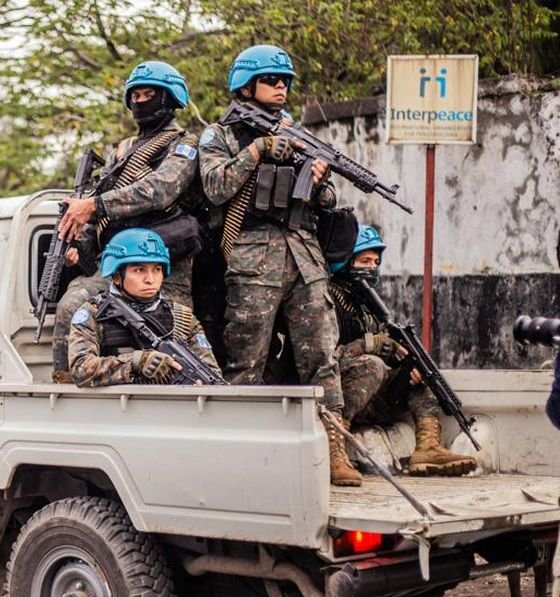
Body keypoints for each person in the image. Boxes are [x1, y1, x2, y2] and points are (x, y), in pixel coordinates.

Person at [198, 44, 355, 486]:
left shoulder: (298, 132)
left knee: (322, 357)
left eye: (285, 80)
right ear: (246, 86)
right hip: (251, 258)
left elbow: (326, 202)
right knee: (247, 359)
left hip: (305, 257)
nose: (281, 86)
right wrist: (258, 152)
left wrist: (318, 179)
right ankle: (241, 455)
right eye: (271, 80)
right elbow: (213, 187)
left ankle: (335, 452)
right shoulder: (221, 135)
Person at [51, 61, 203, 382]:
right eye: (136, 95)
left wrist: (93, 205)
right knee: (71, 307)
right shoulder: (121, 152)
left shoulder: (184, 144)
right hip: (119, 270)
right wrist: (80, 245)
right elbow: (101, 218)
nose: (141, 101)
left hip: (166, 269)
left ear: (170, 98)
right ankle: (63, 394)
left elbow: (161, 190)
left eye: (150, 94)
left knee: (176, 347)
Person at [330, 225, 476, 477]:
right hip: (334, 401)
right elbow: (321, 361)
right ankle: (335, 444)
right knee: (372, 365)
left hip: (371, 398)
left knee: (423, 370)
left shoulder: (367, 307)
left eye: (376, 262)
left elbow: (391, 353)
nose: (372, 268)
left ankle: (428, 447)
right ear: (345, 262)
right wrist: (369, 345)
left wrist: (406, 369)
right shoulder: (328, 301)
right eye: (365, 260)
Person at [67, 228, 219, 387]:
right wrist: (134, 363)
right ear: (117, 276)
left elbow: (211, 372)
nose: (150, 279)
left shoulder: (182, 316)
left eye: (157, 269)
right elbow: (80, 370)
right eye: (139, 270)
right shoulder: (93, 312)